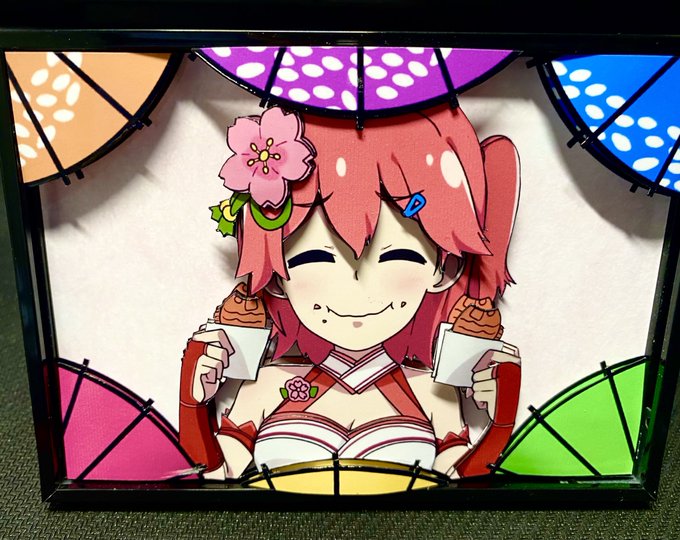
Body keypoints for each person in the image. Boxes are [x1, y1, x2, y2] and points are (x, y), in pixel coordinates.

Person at [178, 104, 521, 483]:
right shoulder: (267, 385)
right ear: (277, 277)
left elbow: (461, 486)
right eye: (312, 258)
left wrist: (501, 424)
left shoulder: (429, 391)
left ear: (440, 269)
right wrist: (192, 405)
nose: (356, 290)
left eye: (399, 255)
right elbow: (214, 478)